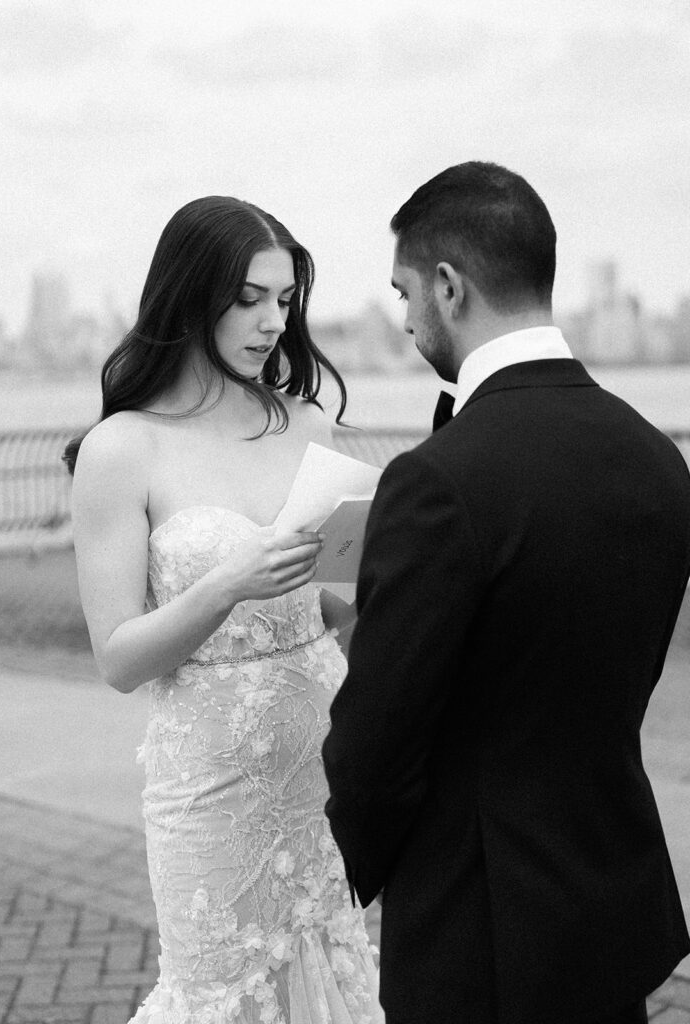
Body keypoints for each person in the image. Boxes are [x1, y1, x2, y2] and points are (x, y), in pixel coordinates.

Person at [322, 161, 690, 1024]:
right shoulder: (658, 460)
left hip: (477, 927)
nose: (407, 320)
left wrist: (342, 873)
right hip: (607, 906)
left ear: (449, 286)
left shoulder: (439, 481)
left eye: (405, 293)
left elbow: (379, 742)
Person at [65, 196, 381, 1024]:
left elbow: (341, 609)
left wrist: (379, 597)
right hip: (209, 785)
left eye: (283, 300)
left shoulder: (309, 424)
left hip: (322, 764)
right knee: (221, 994)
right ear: (189, 294)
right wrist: (227, 584)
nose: (273, 321)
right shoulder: (121, 449)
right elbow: (119, 659)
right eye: (248, 299)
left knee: (337, 972)